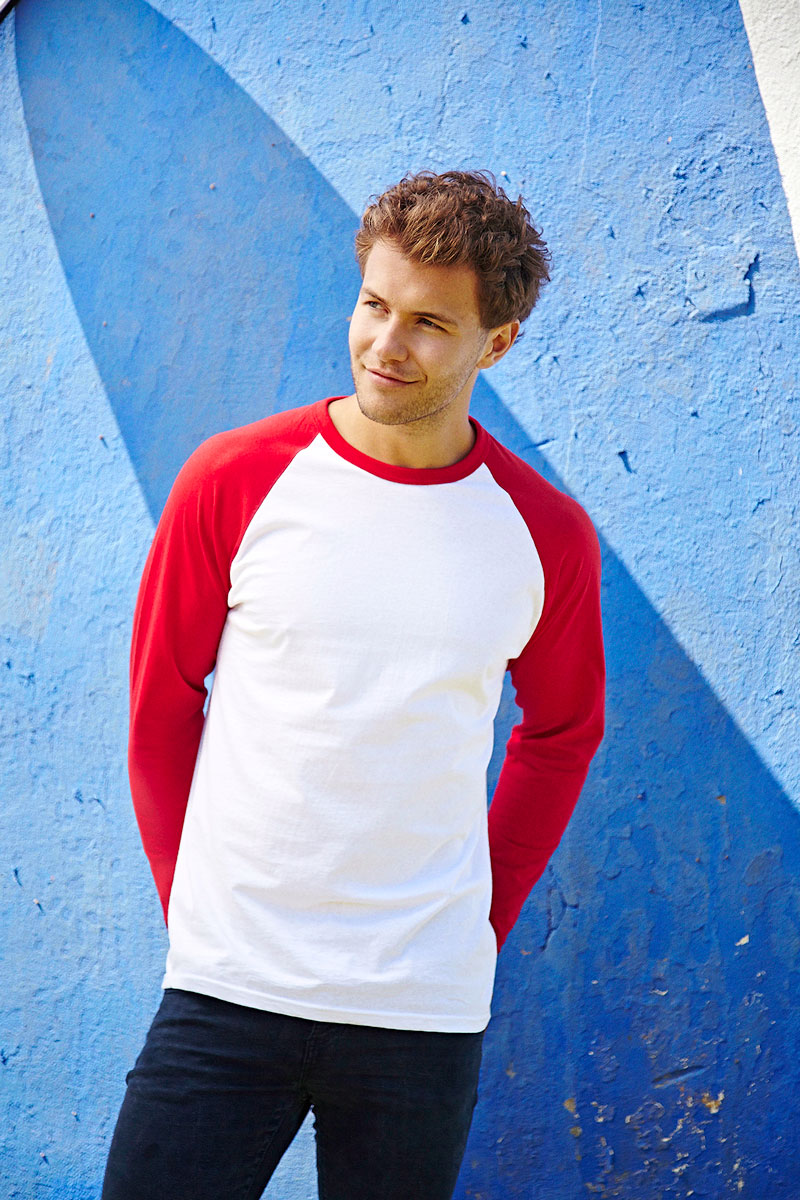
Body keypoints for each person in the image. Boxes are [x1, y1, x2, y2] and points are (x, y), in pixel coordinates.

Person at [102, 169, 605, 1200]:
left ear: (496, 344)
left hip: (418, 1010)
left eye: (428, 323)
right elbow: (162, 707)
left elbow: (562, 733)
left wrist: (480, 923)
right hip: (227, 985)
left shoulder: (543, 536)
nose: (385, 344)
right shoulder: (235, 479)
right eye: (374, 304)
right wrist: (186, 903)